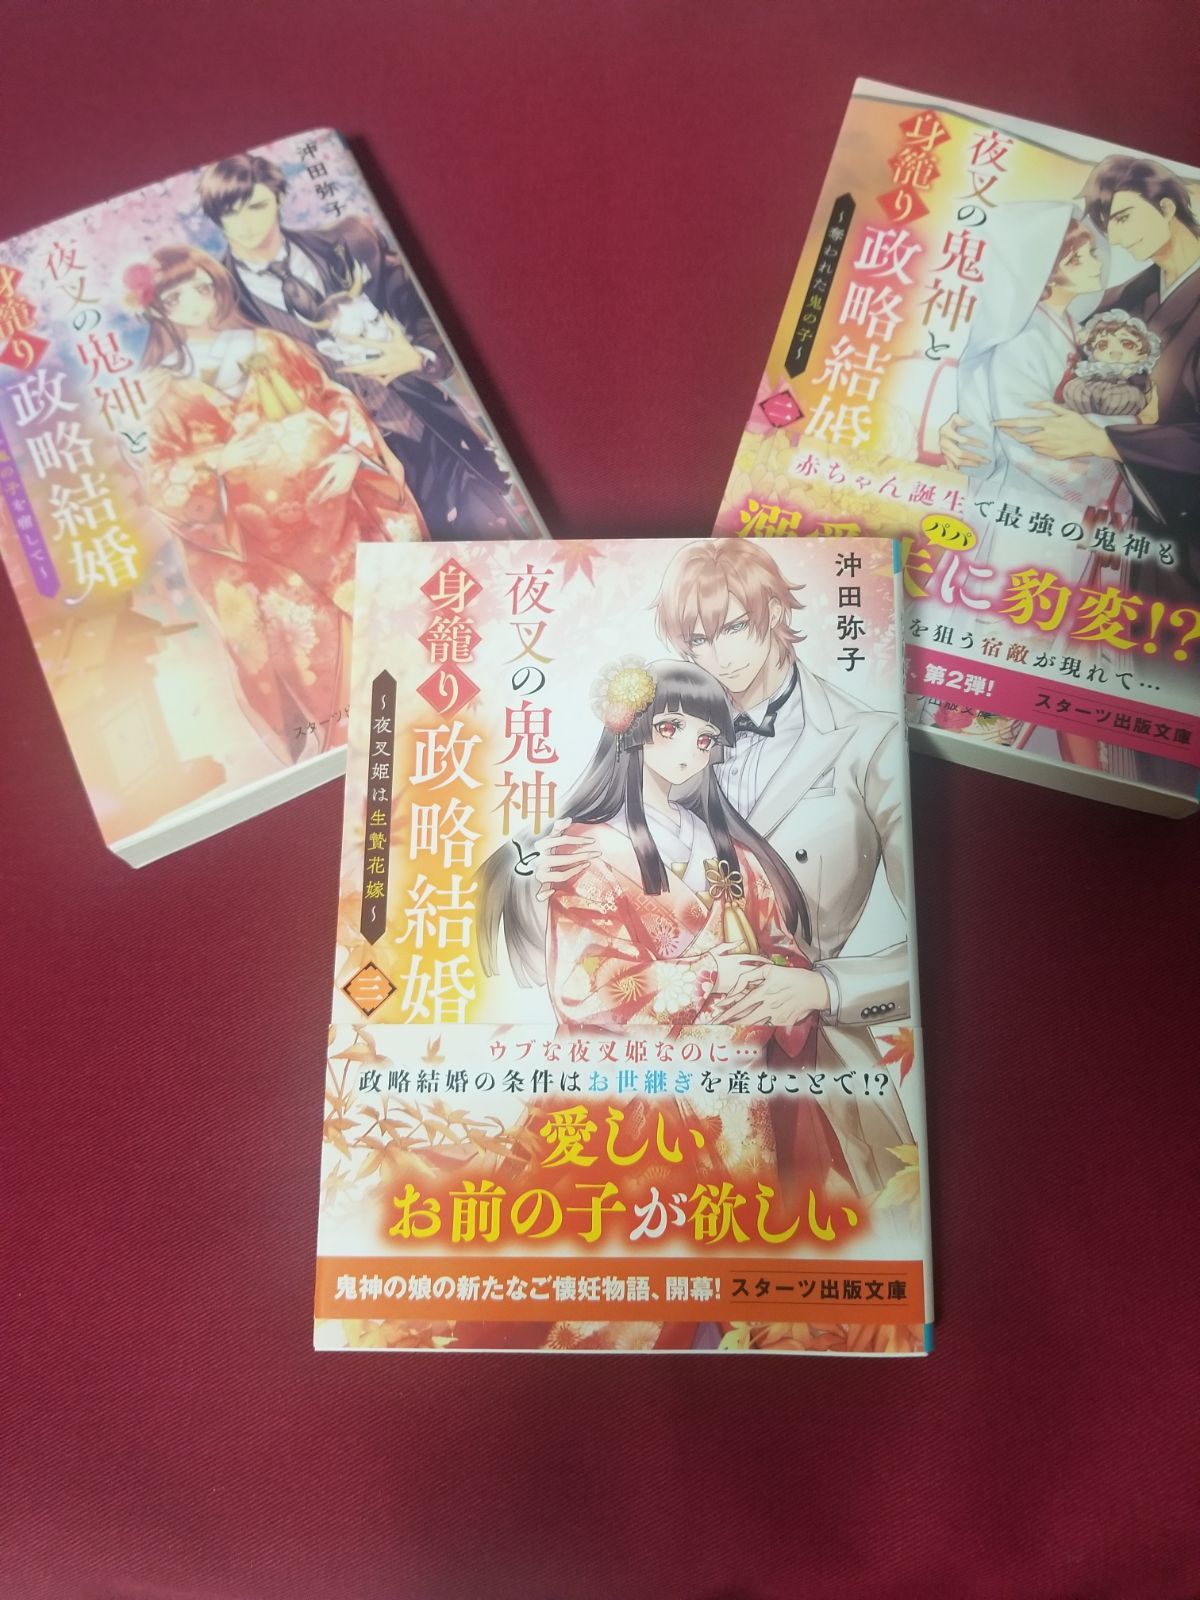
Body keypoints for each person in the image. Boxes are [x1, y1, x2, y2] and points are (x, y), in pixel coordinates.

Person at [530, 541, 915, 1201]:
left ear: (776, 613)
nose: (719, 655)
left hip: (805, 1049)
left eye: (736, 626)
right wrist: (538, 873)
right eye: (698, 639)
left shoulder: (868, 740)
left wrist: (823, 987)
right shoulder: (661, 729)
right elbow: (583, 931)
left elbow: (940, 944)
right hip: (646, 1069)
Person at [132, 244, 427, 764]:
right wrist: (218, 460)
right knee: (316, 651)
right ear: (159, 310)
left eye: (202, 288)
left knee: (389, 628)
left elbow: (332, 400)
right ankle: (371, 760)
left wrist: (353, 456)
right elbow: (162, 477)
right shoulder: (169, 392)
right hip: (262, 555)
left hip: (338, 518)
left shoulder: (270, 344)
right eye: (177, 298)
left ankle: (427, 728)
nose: (196, 303)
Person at [197, 154, 523, 540]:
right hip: (345, 466)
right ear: (216, 218)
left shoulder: (352, 241)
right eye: (231, 213)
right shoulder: (220, 307)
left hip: (428, 428)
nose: (246, 223)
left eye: (256, 205)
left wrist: (418, 357)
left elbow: (423, 313)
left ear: (279, 198)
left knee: (503, 550)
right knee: (416, 570)